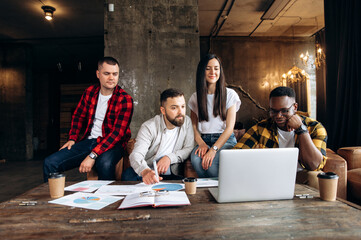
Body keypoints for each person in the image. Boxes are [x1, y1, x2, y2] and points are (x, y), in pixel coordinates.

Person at [43, 57, 134, 182]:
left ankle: (106, 199)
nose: (111, 78)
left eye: (115, 74)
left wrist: (93, 155)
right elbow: (78, 115)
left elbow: (117, 134)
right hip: (89, 141)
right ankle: (52, 197)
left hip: (113, 144)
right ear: (98, 74)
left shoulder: (125, 99)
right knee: (50, 163)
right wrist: (72, 138)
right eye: (107, 73)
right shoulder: (90, 92)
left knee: (104, 164)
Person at [234, 86, 327, 172]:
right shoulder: (260, 129)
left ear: (295, 107)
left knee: (313, 177)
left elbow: (314, 165)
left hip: (301, 175)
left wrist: (301, 129)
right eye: (273, 111)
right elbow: (235, 157)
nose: (278, 116)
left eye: (284, 110)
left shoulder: (315, 128)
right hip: (269, 174)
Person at [122, 88, 194, 185]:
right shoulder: (149, 127)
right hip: (147, 170)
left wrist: (169, 157)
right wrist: (145, 171)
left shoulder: (187, 122)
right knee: (127, 176)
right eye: (174, 108)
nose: (180, 112)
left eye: (183, 106)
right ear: (163, 110)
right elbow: (136, 155)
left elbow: (189, 148)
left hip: (172, 172)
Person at [188, 54, 241, 178]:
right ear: (202, 71)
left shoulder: (230, 94)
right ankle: (209, 190)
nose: (213, 72)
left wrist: (213, 150)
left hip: (225, 140)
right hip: (205, 140)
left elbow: (229, 129)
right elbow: (194, 127)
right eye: (208, 68)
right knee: (196, 160)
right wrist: (201, 143)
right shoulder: (195, 97)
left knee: (211, 164)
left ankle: (219, 191)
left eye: (216, 68)